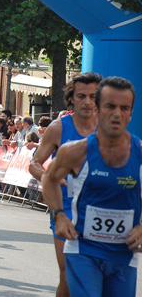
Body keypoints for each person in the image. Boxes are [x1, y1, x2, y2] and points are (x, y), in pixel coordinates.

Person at [43, 76, 142, 297]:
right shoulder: (75, 151)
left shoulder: (140, 152)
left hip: (124, 254)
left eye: (124, 107)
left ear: (131, 113)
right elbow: (48, 179)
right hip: (83, 249)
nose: (117, 113)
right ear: (98, 108)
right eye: (110, 106)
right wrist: (58, 214)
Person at [29, 72, 101, 297]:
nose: (88, 102)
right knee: (68, 277)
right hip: (65, 209)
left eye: (93, 96)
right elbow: (34, 163)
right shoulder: (59, 128)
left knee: (99, 277)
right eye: (81, 96)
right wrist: (47, 176)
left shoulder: (111, 125)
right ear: (72, 98)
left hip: (100, 211)